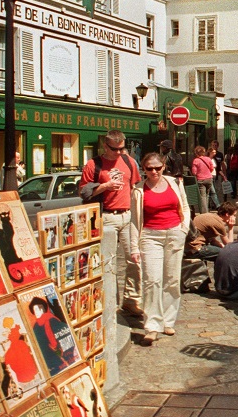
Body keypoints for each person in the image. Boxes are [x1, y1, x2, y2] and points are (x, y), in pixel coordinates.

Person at [129, 152, 190, 346]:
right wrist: (134, 248)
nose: (154, 172)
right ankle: (152, 326)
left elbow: (186, 208)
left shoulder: (175, 183)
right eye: (149, 168)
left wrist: (183, 229)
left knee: (172, 279)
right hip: (150, 236)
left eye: (157, 167)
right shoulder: (138, 191)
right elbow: (133, 222)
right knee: (152, 280)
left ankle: (168, 321)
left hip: (174, 233)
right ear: (143, 169)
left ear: (164, 166)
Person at [79, 130, 142, 318]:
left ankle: (131, 301)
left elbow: (135, 187)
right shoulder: (94, 165)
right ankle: (111, 303)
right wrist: (104, 187)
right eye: (115, 149)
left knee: (134, 260)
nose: (120, 152)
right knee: (109, 261)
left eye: (123, 148)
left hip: (127, 216)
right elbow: (83, 192)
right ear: (106, 146)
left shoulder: (129, 162)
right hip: (106, 216)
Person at [184, 202, 237, 292]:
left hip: (190, 245)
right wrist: (231, 228)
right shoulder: (219, 224)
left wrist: (221, 246)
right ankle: (222, 285)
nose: (235, 218)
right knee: (223, 255)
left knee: (219, 250)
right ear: (227, 214)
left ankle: (207, 284)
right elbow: (230, 245)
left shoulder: (209, 216)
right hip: (195, 248)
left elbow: (212, 239)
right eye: (234, 215)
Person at [190, 145, 219, 214]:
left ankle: (204, 212)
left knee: (202, 196)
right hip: (209, 179)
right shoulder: (208, 159)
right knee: (207, 195)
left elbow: (194, 172)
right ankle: (206, 210)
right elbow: (212, 168)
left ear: (196, 153)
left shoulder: (196, 161)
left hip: (201, 180)